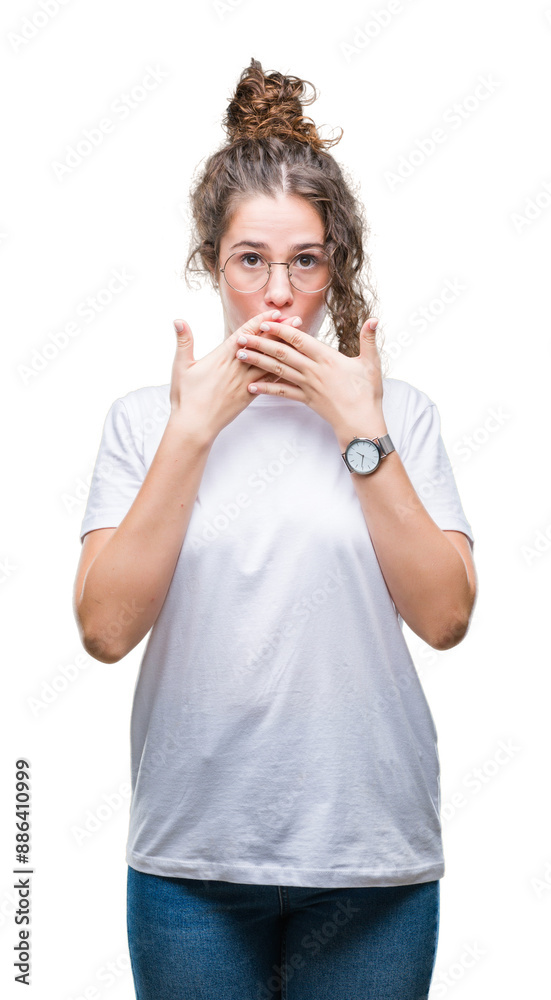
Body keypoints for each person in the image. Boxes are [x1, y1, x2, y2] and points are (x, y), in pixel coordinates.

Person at [73, 57, 477, 1000]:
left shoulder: (397, 414)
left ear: (336, 265)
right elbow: (102, 631)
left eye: (304, 260)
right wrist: (191, 433)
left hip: (372, 861)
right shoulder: (144, 422)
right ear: (212, 264)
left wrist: (358, 431)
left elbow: (447, 616)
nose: (279, 294)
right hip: (191, 868)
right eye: (250, 260)